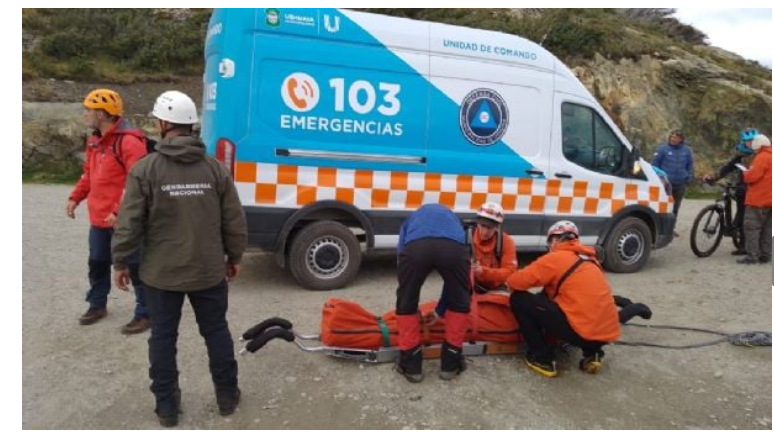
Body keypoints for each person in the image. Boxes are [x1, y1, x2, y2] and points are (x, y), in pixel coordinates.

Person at [111, 91, 247, 427]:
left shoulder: (146, 169)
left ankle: (167, 408)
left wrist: (120, 261)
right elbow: (234, 218)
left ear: (163, 123)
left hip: (161, 274)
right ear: (190, 125)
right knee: (215, 331)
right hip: (208, 270)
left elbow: (129, 222)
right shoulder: (214, 169)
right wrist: (235, 256)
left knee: (162, 337)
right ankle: (227, 396)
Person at [66, 89, 150, 334]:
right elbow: (89, 174)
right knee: (97, 262)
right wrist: (75, 197)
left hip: (124, 221)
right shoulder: (94, 140)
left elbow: (137, 184)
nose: (85, 114)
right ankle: (97, 304)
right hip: (99, 219)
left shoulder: (130, 142)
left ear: (102, 113)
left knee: (135, 266)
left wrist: (118, 211)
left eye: (88, 109)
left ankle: (145, 313)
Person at [506, 221, 620, 378]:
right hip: (605, 334)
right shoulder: (590, 259)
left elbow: (515, 282)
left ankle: (542, 357)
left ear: (554, 240)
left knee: (519, 299)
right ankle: (592, 353)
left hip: (580, 332)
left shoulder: (557, 257)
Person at [395, 204, 470, 383]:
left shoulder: (412, 218)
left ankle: (411, 365)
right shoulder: (456, 221)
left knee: (406, 301)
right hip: (453, 249)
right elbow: (453, 286)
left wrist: (408, 293)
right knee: (460, 301)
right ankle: (450, 365)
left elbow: (401, 252)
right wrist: (441, 309)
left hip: (416, 247)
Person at [434, 202, 517, 317]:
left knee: (503, 309)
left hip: (496, 288)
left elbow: (510, 273)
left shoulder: (506, 242)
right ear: (477, 223)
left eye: (490, 227)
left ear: (498, 227)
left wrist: (483, 271)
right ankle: (439, 313)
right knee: (452, 282)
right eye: (482, 226)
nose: (485, 232)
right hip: (470, 285)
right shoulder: (464, 237)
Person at [703, 128, 759, 255]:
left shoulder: (761, 155)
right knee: (741, 215)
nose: (750, 143)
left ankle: (750, 246)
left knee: (748, 218)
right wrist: (712, 177)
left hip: (756, 190)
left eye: (752, 140)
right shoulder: (740, 155)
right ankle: (741, 242)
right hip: (741, 188)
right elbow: (727, 168)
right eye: (747, 141)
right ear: (743, 142)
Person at [738, 134, 772, 265]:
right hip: (771, 200)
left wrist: (746, 173)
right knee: (767, 229)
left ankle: (752, 257)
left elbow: (752, 177)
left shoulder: (762, 157)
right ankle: (765, 255)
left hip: (759, 199)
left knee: (752, 228)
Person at [652, 129, 694, 236]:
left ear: (680, 139)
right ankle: (658, 228)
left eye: (675, 137)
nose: (673, 139)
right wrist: (658, 178)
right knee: (662, 206)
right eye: (671, 137)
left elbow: (690, 165)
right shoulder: (662, 149)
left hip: (680, 183)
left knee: (675, 207)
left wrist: (689, 176)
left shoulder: (687, 150)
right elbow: (654, 164)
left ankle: (671, 229)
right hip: (666, 184)